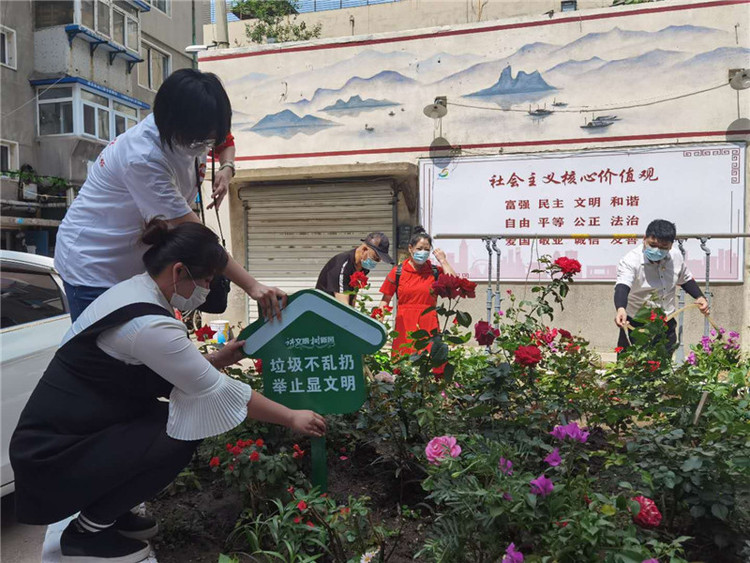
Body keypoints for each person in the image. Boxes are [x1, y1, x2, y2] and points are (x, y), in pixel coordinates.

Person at [10, 219, 326, 563]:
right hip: (54, 455)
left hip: (68, 436)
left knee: (164, 418)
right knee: (178, 433)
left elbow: (168, 369)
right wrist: (291, 416)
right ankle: (87, 534)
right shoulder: (149, 324)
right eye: (207, 280)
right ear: (179, 271)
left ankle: (105, 514)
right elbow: (220, 393)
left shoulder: (135, 291)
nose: (209, 289)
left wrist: (218, 357)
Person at [54, 68, 285, 322]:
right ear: (172, 124)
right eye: (200, 141)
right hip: (95, 266)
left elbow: (224, 141)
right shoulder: (143, 157)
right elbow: (200, 239)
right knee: (107, 358)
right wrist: (252, 286)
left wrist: (226, 169)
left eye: (208, 142)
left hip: (138, 267)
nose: (204, 147)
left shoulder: (194, 129)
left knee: (150, 348)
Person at [614, 219, 709, 352]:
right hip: (636, 322)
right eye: (652, 245)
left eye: (663, 247)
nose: (657, 250)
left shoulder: (675, 256)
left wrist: (699, 297)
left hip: (666, 321)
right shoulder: (631, 260)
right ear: (644, 238)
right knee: (632, 365)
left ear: (670, 246)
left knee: (664, 365)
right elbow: (622, 286)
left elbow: (685, 279)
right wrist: (620, 308)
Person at [377, 227, 455, 357]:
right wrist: (378, 323)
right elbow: (385, 300)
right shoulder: (398, 272)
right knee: (403, 365)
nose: (422, 252)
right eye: (419, 249)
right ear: (410, 248)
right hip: (404, 326)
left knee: (430, 365)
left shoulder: (434, 271)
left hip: (429, 325)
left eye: (426, 250)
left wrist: (443, 260)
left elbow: (454, 283)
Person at [315, 232, 394, 306]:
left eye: (379, 259)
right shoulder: (343, 265)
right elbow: (342, 304)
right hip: (323, 310)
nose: (377, 262)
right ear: (364, 249)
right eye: (375, 258)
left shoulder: (363, 267)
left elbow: (353, 295)